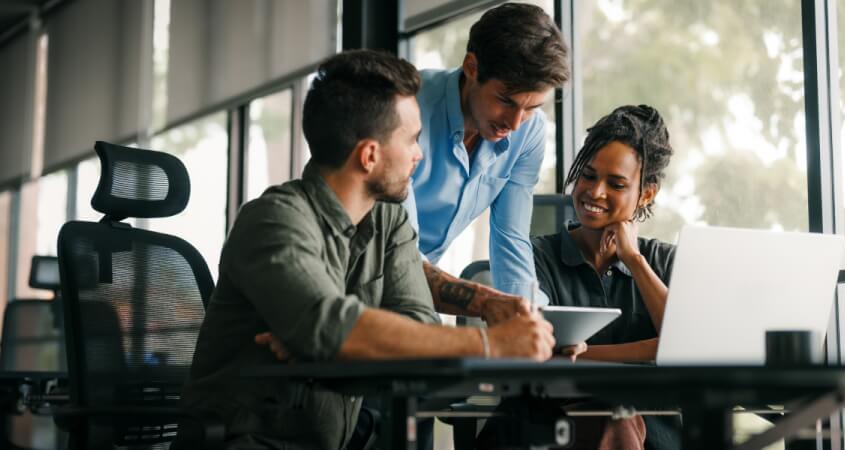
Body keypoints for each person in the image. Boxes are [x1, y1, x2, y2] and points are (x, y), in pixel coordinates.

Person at [180, 49, 562, 450]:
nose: (419, 153)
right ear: (369, 155)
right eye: (412, 140)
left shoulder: (389, 221)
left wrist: (330, 353)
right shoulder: (272, 221)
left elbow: (421, 330)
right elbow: (333, 327)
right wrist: (490, 345)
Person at [404, 2, 571, 316]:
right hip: (357, 273)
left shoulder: (529, 131)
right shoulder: (406, 110)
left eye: (532, 107)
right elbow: (399, 251)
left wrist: (534, 315)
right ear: (471, 67)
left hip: (418, 282)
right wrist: (491, 305)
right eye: (506, 101)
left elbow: (511, 239)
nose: (515, 123)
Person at [532, 104, 681, 449]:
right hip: (558, 427)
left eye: (616, 184)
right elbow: (538, 354)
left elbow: (683, 347)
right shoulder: (537, 256)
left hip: (659, 436)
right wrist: (649, 350)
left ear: (646, 193)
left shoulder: (663, 262)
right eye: (588, 175)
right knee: (610, 419)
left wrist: (634, 260)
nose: (595, 192)